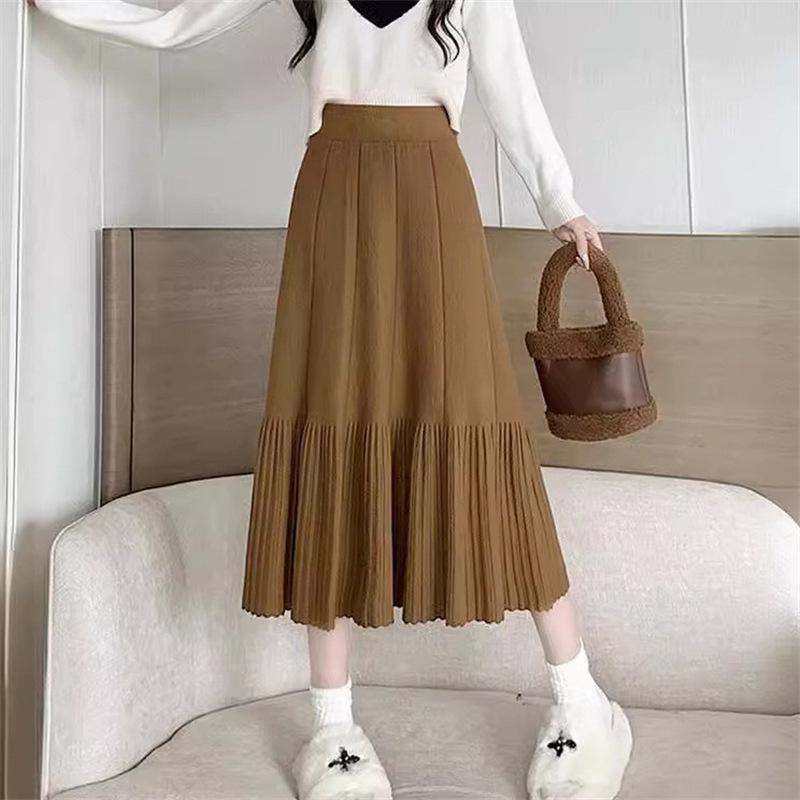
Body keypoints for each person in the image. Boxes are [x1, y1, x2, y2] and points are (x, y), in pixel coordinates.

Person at [28, 1, 633, 798]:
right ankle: (333, 729)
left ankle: (583, 700)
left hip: (434, 200)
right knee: (329, 430)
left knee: (477, 430)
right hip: (332, 195)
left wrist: (561, 202)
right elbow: (182, 19)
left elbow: (510, 85)